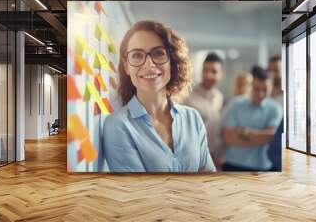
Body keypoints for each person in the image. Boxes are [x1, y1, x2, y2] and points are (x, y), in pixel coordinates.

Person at [103, 20, 216, 172]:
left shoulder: (193, 118)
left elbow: (209, 178)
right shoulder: (118, 125)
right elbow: (139, 193)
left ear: (172, 61)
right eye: (137, 55)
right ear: (126, 66)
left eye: (158, 53)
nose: (149, 64)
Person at [220, 66, 282, 171]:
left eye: (265, 90)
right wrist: (261, 137)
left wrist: (244, 132)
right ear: (251, 86)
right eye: (256, 89)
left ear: (271, 87)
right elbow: (227, 136)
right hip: (233, 165)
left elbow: (272, 136)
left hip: (262, 168)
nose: (260, 94)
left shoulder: (276, 109)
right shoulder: (236, 104)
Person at [183, 53, 224, 168]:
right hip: (192, 156)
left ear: (221, 75)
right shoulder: (187, 96)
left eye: (214, 71)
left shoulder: (219, 97)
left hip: (214, 156)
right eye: (205, 70)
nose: (208, 75)